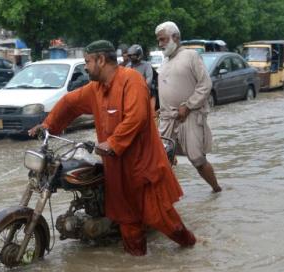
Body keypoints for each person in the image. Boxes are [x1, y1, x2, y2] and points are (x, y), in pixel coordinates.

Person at [28, 40, 196, 256]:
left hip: (143, 167)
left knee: (162, 219)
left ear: (100, 60)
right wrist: (48, 125)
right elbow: (70, 103)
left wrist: (113, 142)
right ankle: (137, 266)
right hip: (116, 169)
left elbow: (137, 117)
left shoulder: (131, 80)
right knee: (127, 222)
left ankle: (190, 246)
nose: (86, 67)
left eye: (88, 61)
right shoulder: (95, 89)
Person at [155, 21, 222, 193]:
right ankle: (166, 198)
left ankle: (216, 189)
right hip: (167, 118)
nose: (160, 44)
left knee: (197, 158)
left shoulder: (191, 56)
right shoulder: (164, 62)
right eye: (159, 40)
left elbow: (205, 84)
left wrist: (189, 105)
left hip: (189, 115)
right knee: (160, 158)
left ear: (175, 37)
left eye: (163, 40)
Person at [127, 44, 157, 111]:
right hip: (131, 94)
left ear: (139, 55)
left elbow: (149, 80)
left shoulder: (147, 65)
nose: (132, 57)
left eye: (134, 55)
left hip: (145, 93)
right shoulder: (128, 66)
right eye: (130, 55)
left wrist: (140, 88)